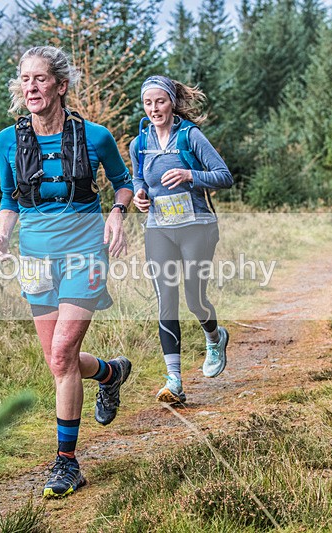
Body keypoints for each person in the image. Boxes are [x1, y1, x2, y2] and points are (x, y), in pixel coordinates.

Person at [0, 46, 134, 499]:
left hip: (85, 252)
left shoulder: (96, 136)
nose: (30, 87)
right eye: (24, 80)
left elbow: (124, 182)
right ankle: (110, 374)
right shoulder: (6, 140)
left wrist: (116, 214)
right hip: (34, 258)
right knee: (59, 360)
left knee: (61, 353)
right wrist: (1, 236)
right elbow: (10, 197)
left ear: (60, 86)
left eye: (39, 79)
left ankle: (67, 462)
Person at [130, 75, 234, 405]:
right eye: (148, 103)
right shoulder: (139, 142)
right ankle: (173, 380)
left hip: (197, 225)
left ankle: (215, 337)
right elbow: (137, 177)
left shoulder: (191, 136)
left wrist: (191, 175)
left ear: (172, 102)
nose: (154, 108)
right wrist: (139, 194)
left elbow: (224, 176)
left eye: (160, 101)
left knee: (194, 297)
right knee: (166, 298)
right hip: (158, 227)